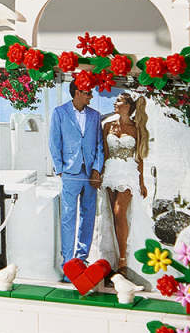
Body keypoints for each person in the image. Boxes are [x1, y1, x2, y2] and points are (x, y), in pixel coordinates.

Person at [48, 80, 104, 276]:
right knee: (68, 217)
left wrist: (96, 169)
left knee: (88, 216)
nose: (91, 96)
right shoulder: (59, 112)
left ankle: (81, 259)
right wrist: (60, 169)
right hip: (70, 172)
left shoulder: (95, 115)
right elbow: (54, 142)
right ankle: (67, 263)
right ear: (77, 93)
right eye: (87, 93)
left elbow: (99, 145)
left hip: (90, 173)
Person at [101, 93, 148, 276]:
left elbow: (140, 157)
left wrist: (142, 182)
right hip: (110, 172)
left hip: (128, 172)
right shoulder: (107, 126)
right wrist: (101, 173)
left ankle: (123, 259)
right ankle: (115, 255)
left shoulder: (136, 128)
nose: (115, 103)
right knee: (113, 215)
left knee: (119, 212)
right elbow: (105, 153)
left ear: (128, 106)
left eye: (119, 101)